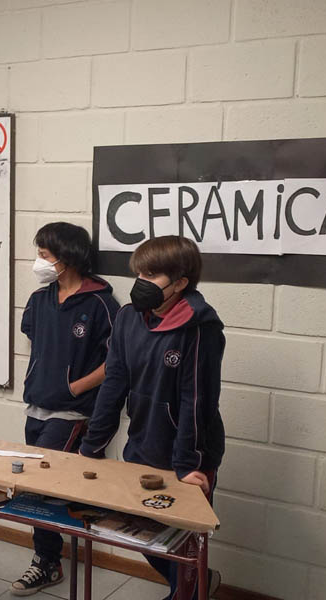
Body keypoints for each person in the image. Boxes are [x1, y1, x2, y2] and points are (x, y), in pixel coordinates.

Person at [79, 235, 225, 599]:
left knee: (183, 542)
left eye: (152, 275)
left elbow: (197, 399)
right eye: (139, 273)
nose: (141, 281)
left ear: (180, 283)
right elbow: (114, 383)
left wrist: (188, 464)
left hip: (189, 450)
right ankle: (198, 582)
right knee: (142, 532)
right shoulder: (128, 318)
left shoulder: (200, 327)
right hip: (144, 442)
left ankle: (188, 589)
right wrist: (91, 446)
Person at [11, 222, 120, 596]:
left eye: (44, 255)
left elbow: (116, 361)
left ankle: (46, 562)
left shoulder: (101, 304)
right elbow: (35, 340)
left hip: (72, 412)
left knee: (43, 484)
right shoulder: (40, 299)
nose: (38, 261)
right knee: (37, 485)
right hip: (36, 406)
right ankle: (50, 556)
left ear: (67, 258)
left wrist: (74, 387)